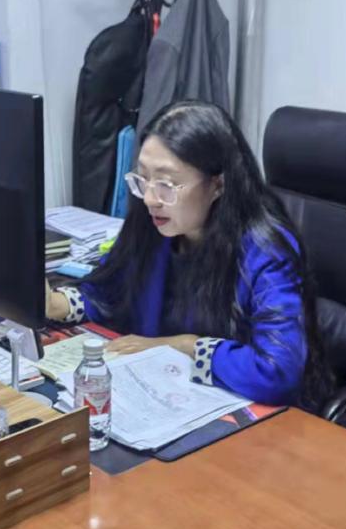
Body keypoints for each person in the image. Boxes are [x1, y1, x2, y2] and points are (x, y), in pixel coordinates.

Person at [47, 100, 330, 409]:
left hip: (257, 413)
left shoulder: (265, 249)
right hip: (168, 395)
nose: (151, 198)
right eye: (143, 178)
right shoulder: (155, 225)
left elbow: (277, 372)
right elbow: (110, 294)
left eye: (167, 184)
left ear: (217, 185)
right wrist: (57, 304)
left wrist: (186, 346)